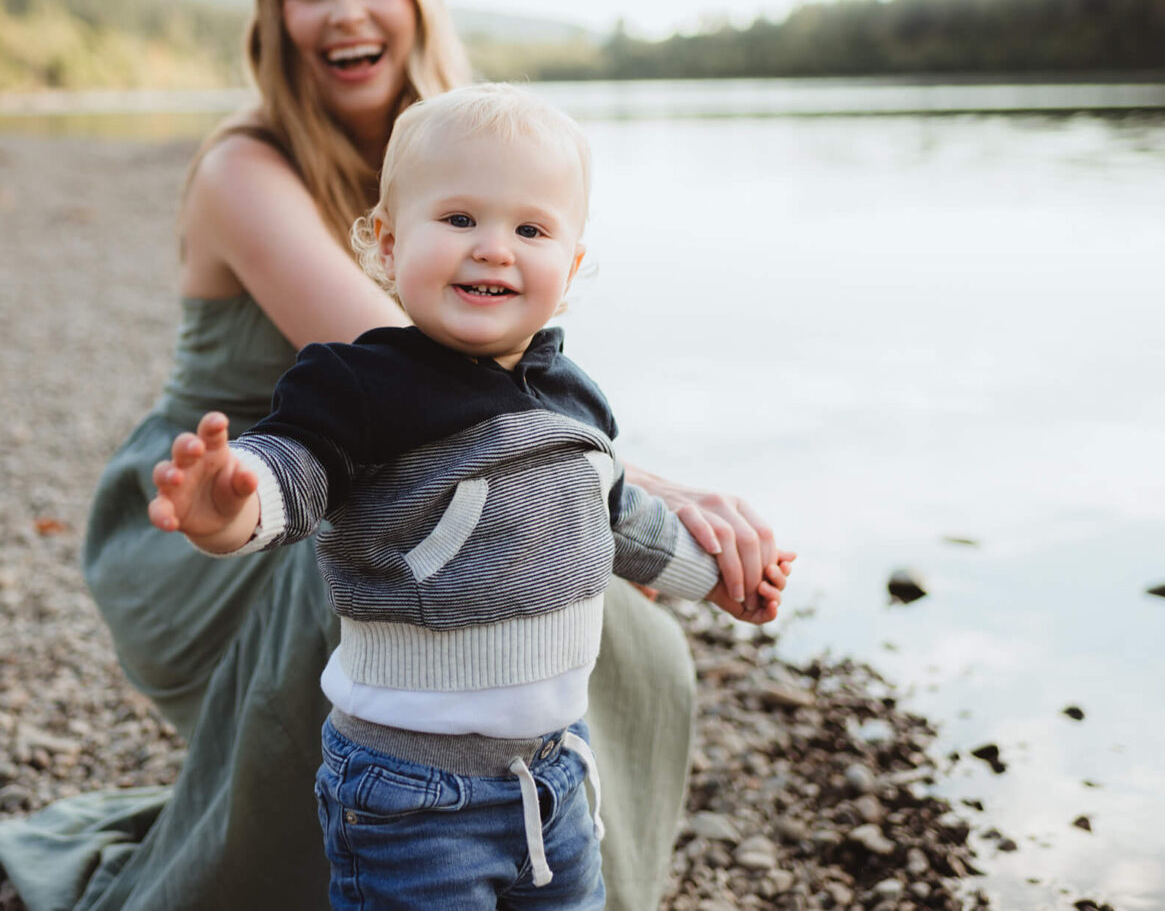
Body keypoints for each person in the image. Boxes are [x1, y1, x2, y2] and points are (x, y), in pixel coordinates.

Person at [0, 0, 789, 911]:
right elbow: (399, 373)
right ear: (275, 20)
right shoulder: (245, 165)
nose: (344, 11)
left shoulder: (466, 159)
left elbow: (497, 394)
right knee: (427, 558)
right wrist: (634, 481)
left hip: (402, 464)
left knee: (587, 593)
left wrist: (641, 522)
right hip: (233, 489)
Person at [148, 84, 793, 908]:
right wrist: (232, 506)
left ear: (571, 270)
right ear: (385, 245)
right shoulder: (362, 385)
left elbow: (616, 516)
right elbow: (293, 471)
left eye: (530, 229)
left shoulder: (573, 398)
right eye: (459, 220)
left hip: (554, 772)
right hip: (410, 794)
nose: (494, 248)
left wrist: (724, 579)